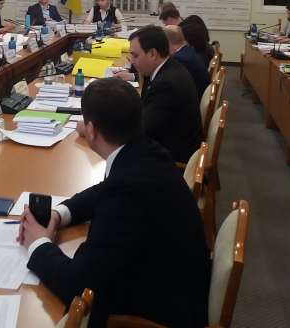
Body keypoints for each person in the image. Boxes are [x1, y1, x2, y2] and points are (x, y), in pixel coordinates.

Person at [18, 78, 210, 328]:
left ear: (91, 130)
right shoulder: (145, 151)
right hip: (178, 279)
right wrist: (58, 214)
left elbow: (78, 286)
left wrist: (38, 243)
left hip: (163, 310)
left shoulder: (126, 195)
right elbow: (104, 189)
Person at [127, 25, 202, 162]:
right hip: (174, 142)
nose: (131, 61)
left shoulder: (166, 84)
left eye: (135, 55)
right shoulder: (169, 68)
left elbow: (141, 130)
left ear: (153, 54)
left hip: (172, 158)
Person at [164, 25, 210, 100]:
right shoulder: (188, 50)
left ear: (166, 41)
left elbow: (173, 87)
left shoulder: (180, 59)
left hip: (194, 99)